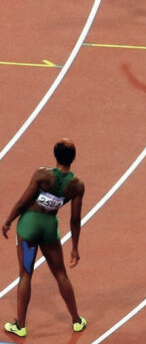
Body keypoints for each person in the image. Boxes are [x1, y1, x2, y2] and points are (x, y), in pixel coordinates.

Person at [2, 139, 87, 337]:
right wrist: (75, 247)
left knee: (25, 275)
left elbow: (23, 201)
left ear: (55, 155)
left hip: (29, 227)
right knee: (61, 274)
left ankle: (20, 326)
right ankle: (76, 320)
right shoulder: (77, 185)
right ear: (73, 158)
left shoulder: (43, 174)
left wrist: (8, 221)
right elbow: (75, 220)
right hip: (49, 229)